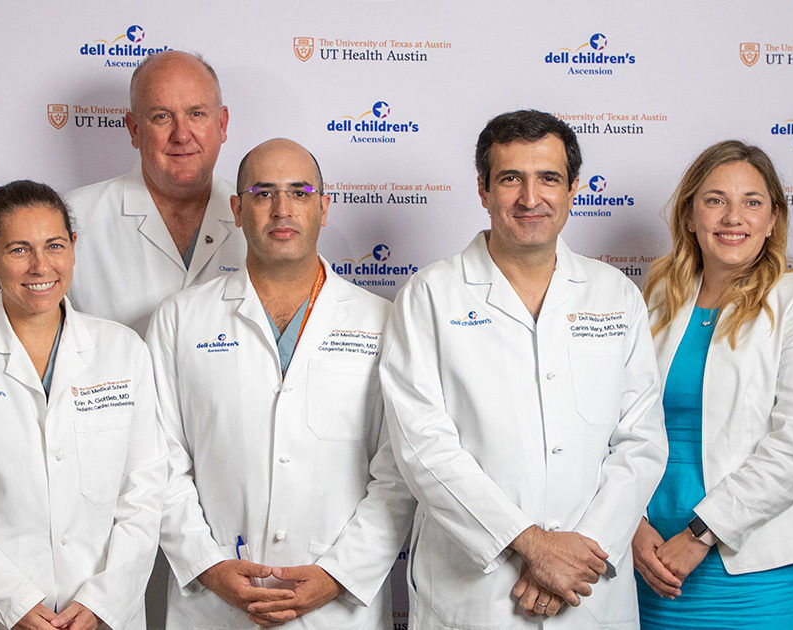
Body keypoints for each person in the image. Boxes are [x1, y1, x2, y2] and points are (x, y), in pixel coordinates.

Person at [379, 109, 667, 629]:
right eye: (511, 178)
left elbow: (641, 442)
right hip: (476, 591)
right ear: (483, 190)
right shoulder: (429, 296)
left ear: (575, 188)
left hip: (589, 585)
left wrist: (577, 555)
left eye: (548, 178)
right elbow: (423, 446)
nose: (530, 198)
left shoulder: (615, 295)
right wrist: (532, 545)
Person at [146, 138, 415, 629]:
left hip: (337, 606)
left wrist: (338, 574)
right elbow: (159, 460)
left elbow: (398, 470)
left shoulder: (382, 322)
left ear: (324, 206)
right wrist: (208, 565)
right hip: (213, 604)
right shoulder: (181, 319)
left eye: (300, 191)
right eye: (263, 192)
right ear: (237, 207)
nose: (282, 208)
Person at [0, 180, 165, 630]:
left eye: (54, 245)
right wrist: (10, 601)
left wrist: (105, 600)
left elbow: (144, 492)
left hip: (94, 614)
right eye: (19, 249)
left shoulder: (123, 351)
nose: (41, 265)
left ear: (74, 248)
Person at [631, 140, 793, 629]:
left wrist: (701, 534)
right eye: (715, 199)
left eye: (752, 202)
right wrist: (633, 526)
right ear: (689, 216)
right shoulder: (658, 298)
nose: (733, 217)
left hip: (758, 564)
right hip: (652, 556)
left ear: (772, 220)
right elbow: (618, 423)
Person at [66, 50, 245, 334]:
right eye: (162, 117)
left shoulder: (259, 217)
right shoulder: (73, 218)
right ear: (134, 129)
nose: (182, 135)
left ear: (221, 124)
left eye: (196, 114)